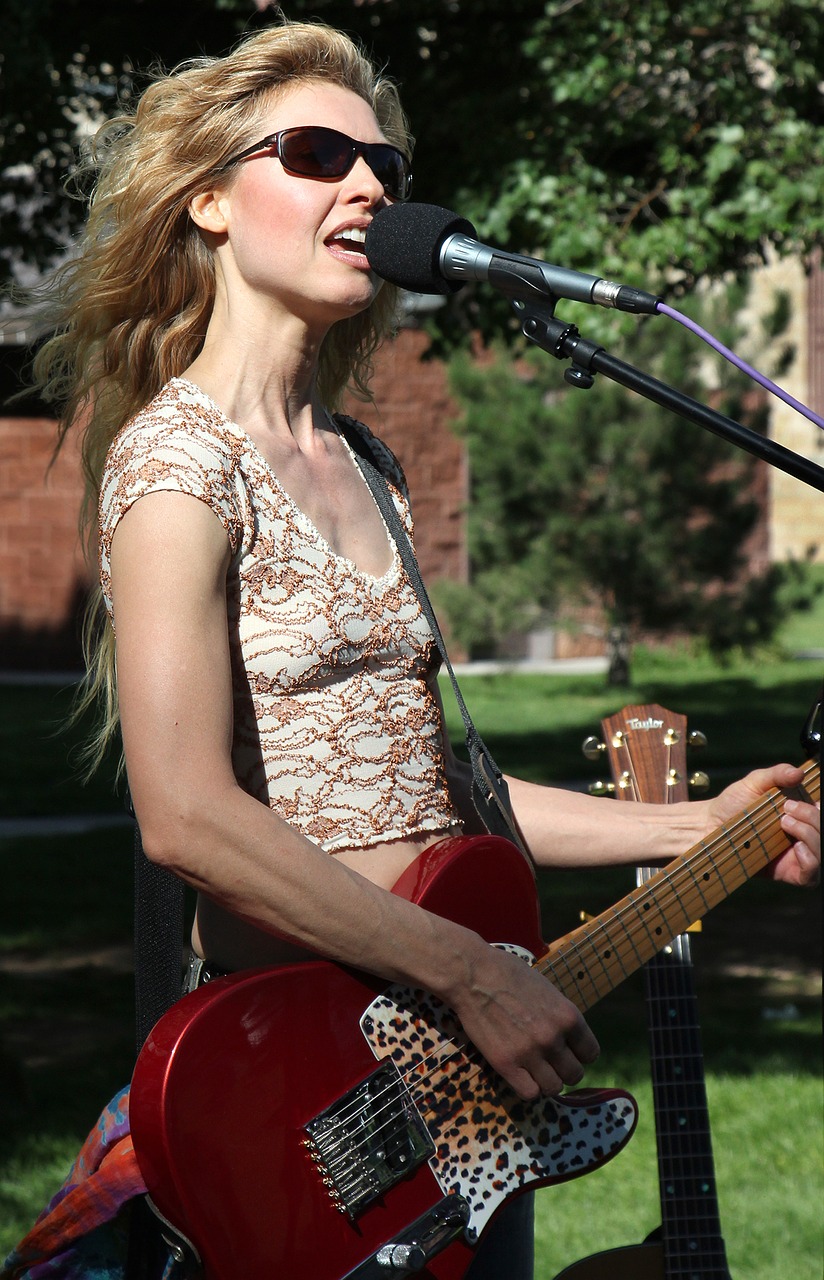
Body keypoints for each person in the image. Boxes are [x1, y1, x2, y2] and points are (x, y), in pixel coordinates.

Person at [4, 16, 819, 1280]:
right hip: (303, 1082)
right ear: (208, 201)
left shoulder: (367, 465)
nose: (371, 186)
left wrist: (696, 828)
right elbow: (187, 817)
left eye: (383, 164)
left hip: (448, 1079)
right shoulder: (177, 460)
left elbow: (441, 792)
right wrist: (476, 973)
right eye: (319, 153)